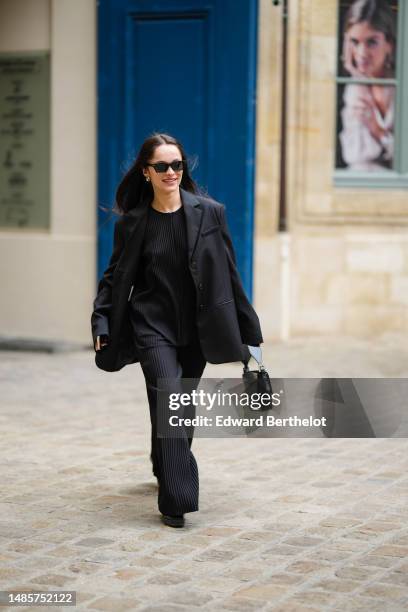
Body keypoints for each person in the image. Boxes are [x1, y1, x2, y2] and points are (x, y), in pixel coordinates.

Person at [91, 133, 263, 528]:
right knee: (170, 398)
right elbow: (115, 277)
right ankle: (177, 500)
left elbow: (229, 272)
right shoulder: (134, 223)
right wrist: (101, 320)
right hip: (151, 325)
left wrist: (248, 328)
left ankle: (163, 461)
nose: (171, 172)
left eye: (177, 165)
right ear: (146, 172)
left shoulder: (210, 212)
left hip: (198, 330)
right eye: (162, 166)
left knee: (180, 405)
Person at [339, 0, 396, 171]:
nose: (362, 53)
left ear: (389, 45)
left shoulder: (400, 87)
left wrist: (378, 131)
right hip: (361, 185)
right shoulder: (354, 88)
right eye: (354, 42)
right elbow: (355, 155)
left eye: (372, 42)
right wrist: (356, 76)